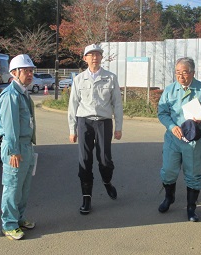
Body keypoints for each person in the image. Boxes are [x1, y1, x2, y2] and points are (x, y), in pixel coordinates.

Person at [158, 57, 201, 222]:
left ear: (192, 73)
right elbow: (162, 112)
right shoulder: (170, 90)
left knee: (193, 174)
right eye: (177, 72)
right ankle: (169, 198)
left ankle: (191, 208)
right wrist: (172, 126)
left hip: (194, 140)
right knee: (169, 171)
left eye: (184, 72)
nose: (181, 76)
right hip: (173, 138)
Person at [68, 44, 123, 215]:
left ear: (101, 57)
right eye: (90, 55)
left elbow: (117, 104)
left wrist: (118, 127)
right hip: (84, 121)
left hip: (104, 122)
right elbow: (73, 105)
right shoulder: (79, 79)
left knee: (105, 160)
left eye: (97, 54)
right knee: (85, 160)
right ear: (85, 58)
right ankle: (86, 197)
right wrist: (72, 129)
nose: (94, 58)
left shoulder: (110, 78)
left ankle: (107, 181)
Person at [0, 54, 37, 240]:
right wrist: (14, 150)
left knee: (24, 187)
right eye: (26, 71)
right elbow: (10, 125)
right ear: (14, 73)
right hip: (15, 148)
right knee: (12, 187)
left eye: (31, 71)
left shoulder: (23, 92)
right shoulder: (10, 95)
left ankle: (19, 218)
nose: (30, 74)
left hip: (25, 146)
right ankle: (9, 224)